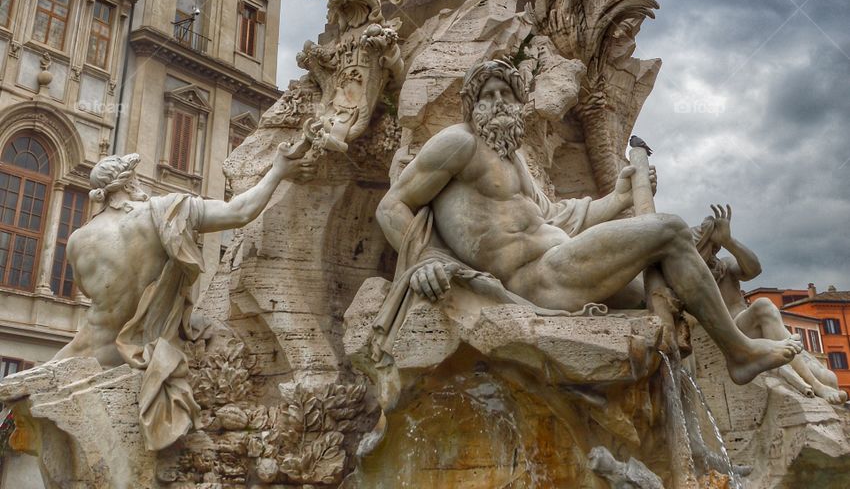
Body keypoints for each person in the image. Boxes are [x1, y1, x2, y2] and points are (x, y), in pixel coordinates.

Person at [376, 59, 801, 386]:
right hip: (535, 279)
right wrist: (425, 257)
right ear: (471, 107)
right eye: (486, 95)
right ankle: (740, 354)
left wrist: (617, 198)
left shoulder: (514, 160)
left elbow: (560, 217)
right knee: (669, 230)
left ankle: (745, 329)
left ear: (519, 104)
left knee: (665, 296)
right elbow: (392, 205)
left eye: (506, 93)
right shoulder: (458, 144)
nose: (498, 103)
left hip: (563, 261)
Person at [52, 140, 313, 450]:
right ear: (130, 182)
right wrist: (278, 170)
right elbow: (240, 211)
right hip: (145, 355)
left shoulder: (79, 239)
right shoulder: (166, 211)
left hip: (88, 354)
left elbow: (89, 292)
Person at [693, 203, 847, 404]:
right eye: (708, 248)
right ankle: (816, 387)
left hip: (761, 329)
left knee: (832, 378)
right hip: (735, 335)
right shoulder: (693, 279)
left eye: (715, 248)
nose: (712, 254)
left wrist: (729, 241)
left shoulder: (726, 265)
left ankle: (819, 382)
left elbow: (754, 269)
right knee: (763, 305)